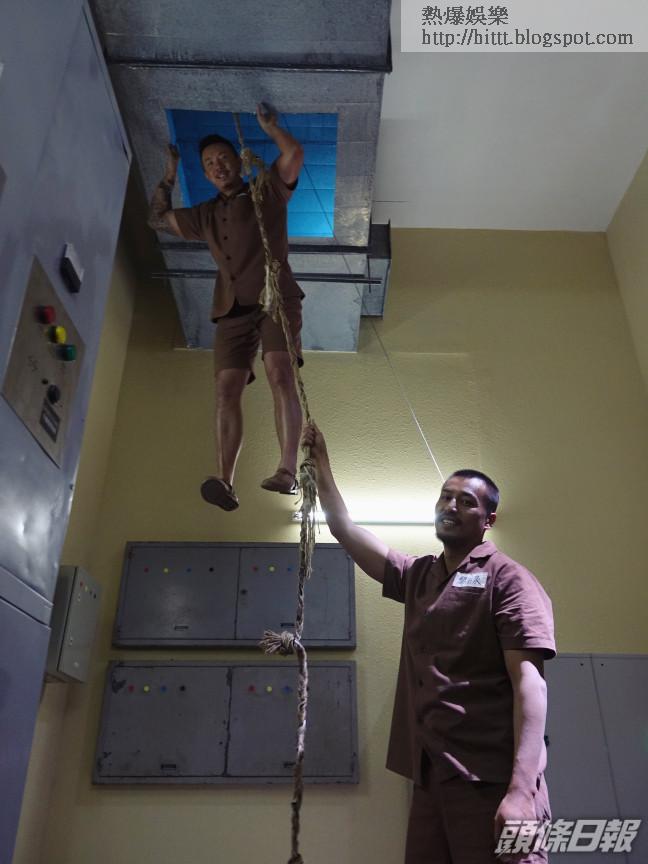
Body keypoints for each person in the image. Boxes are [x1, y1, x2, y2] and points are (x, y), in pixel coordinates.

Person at [302, 422, 556, 864]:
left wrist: (520, 789)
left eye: (467, 501)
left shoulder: (509, 580)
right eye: (445, 497)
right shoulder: (420, 575)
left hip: (490, 777)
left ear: (489, 520)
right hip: (431, 778)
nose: (451, 505)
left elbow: (530, 686)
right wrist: (321, 463)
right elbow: (344, 528)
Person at [148, 104, 305, 511]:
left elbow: (293, 155)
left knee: (279, 372)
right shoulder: (205, 215)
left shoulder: (266, 190)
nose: (217, 166)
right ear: (205, 174)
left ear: (238, 160)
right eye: (209, 163)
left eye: (223, 158)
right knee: (225, 388)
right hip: (232, 307)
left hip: (275, 296)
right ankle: (225, 480)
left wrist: (271, 128)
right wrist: (168, 175)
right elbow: (157, 218)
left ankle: (287, 470)